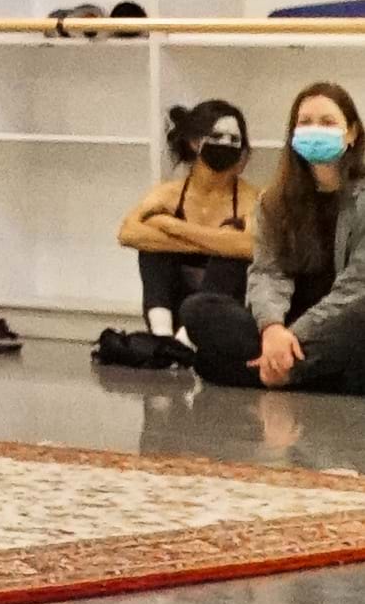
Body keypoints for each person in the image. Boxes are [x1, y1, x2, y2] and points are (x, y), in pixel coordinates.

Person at [180, 85, 365, 391]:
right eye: (305, 122)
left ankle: (277, 369)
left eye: (327, 122)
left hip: (338, 324)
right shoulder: (274, 201)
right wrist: (272, 329)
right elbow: (267, 272)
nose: (315, 130)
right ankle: (300, 372)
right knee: (198, 308)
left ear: (352, 133)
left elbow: (356, 289)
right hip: (287, 325)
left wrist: (292, 338)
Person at [114, 100, 256, 328]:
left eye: (234, 139)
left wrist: (172, 227)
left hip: (223, 313)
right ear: (195, 142)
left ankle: (188, 338)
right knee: (152, 251)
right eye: (217, 136)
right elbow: (128, 233)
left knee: (230, 258)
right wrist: (217, 242)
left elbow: (251, 246)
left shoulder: (251, 198)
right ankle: (162, 336)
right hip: (174, 305)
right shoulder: (167, 194)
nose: (225, 144)